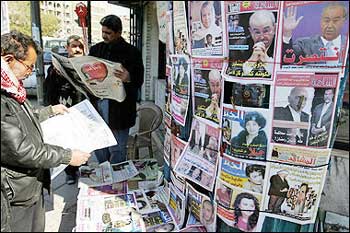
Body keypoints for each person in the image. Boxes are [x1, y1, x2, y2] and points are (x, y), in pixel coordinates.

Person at [1, 30, 90, 232]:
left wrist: (50, 111)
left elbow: (21, 115)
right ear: (8, 59)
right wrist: (67, 156)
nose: (31, 71)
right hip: (16, 193)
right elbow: (21, 150)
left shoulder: (11, 87)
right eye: (29, 66)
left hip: (29, 185)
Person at [89, 15, 144, 164]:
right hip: (99, 104)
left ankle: (116, 178)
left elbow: (139, 80)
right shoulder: (96, 49)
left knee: (117, 148)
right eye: (103, 32)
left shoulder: (132, 52)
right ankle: (104, 171)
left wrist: (129, 77)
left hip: (120, 108)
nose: (104, 35)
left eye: (108, 33)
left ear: (119, 32)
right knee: (99, 145)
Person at [44, 35, 86, 185]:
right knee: (68, 142)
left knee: (83, 142)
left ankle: (84, 169)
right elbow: (49, 91)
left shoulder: (87, 65)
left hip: (83, 109)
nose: (77, 49)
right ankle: (70, 172)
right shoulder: (55, 68)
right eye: (74, 46)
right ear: (67, 48)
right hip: (64, 108)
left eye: (80, 46)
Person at [282, 2, 348, 66]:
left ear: (344, 21)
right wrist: (287, 33)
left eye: (335, 21)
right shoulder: (304, 44)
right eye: (326, 20)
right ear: (321, 20)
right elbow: (287, 58)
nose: (330, 25)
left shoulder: (347, 44)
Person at [242, 10, 276, 76]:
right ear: (251, 32)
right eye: (257, 32)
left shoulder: (282, 45)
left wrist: (266, 60)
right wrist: (251, 62)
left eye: (266, 31)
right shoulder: (241, 48)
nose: (262, 37)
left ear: (274, 29)